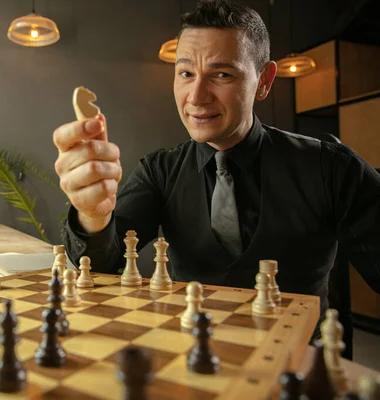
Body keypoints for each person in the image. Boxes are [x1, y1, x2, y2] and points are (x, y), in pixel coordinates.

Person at [52, 0, 380, 339]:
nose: (196, 96)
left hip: (295, 371)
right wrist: (92, 214)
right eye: (186, 73)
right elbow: (100, 267)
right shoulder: (160, 171)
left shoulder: (332, 167)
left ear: (264, 82)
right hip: (193, 361)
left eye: (221, 74)